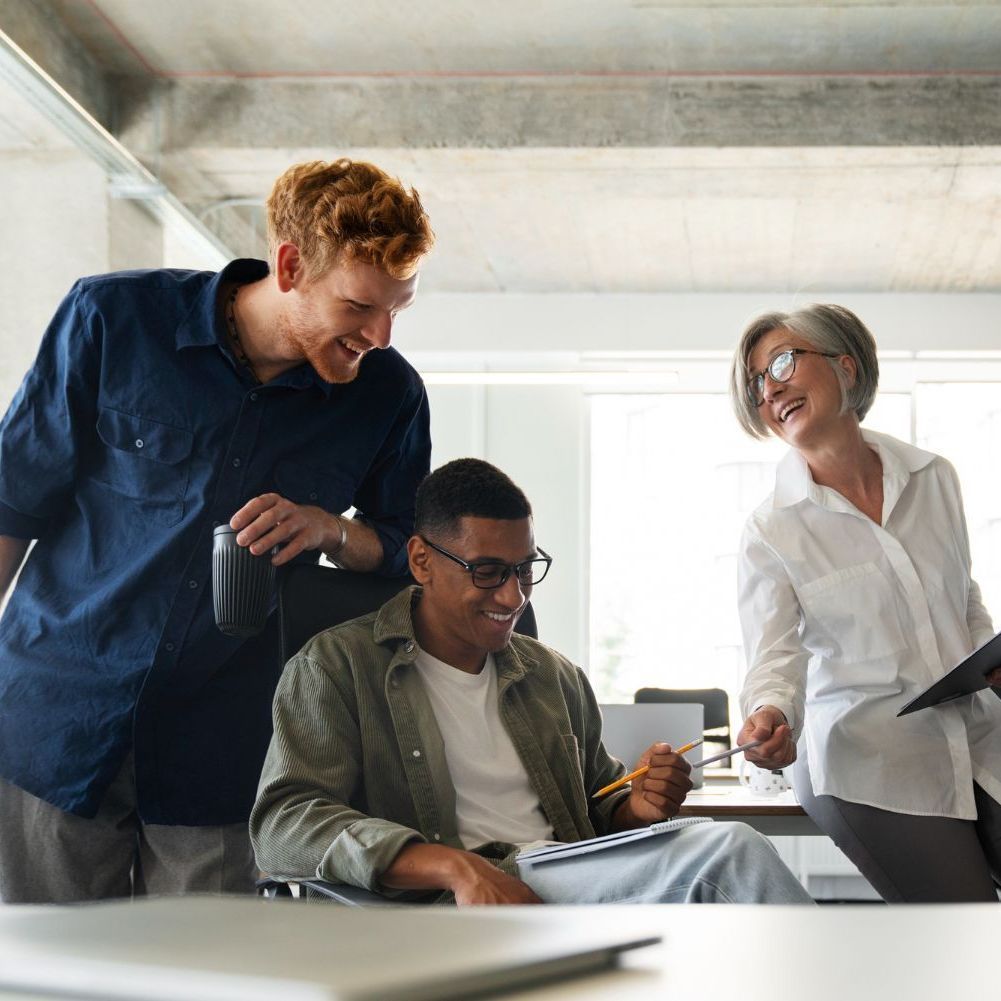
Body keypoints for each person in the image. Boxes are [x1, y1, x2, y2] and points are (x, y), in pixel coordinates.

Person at [0, 158, 435, 903]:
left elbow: (410, 552)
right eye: (361, 306)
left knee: (211, 981)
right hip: (56, 717)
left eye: (399, 307)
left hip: (228, 749)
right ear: (292, 266)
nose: (381, 334)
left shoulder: (388, 396)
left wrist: (331, 529)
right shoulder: (112, 319)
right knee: (47, 978)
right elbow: (12, 501)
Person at [251, 458, 812, 905]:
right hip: (446, 903)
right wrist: (454, 867)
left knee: (722, 856)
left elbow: (598, 806)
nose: (513, 597)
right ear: (421, 560)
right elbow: (284, 824)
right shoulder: (336, 667)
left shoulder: (551, 675)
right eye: (488, 571)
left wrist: (639, 806)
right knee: (728, 853)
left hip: (560, 878)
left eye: (524, 570)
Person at [729, 303, 1001, 903]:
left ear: (845, 366)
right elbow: (775, 657)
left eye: (781, 362)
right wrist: (772, 713)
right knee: (969, 930)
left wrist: (991, 662)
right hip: (867, 756)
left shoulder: (934, 477)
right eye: (756, 383)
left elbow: (964, 599)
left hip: (977, 731)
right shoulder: (772, 529)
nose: (769, 388)